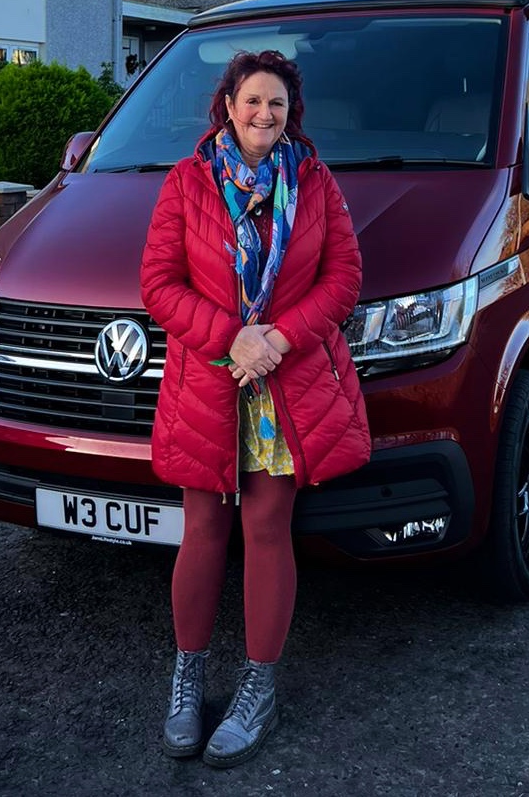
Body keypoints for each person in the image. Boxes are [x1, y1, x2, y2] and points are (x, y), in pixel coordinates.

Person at [139, 49, 370, 768]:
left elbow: (344, 277)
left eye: (276, 104)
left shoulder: (315, 181)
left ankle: (258, 689)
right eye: (251, 102)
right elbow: (157, 284)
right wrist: (231, 338)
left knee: (269, 528)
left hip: (285, 382)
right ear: (228, 107)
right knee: (203, 528)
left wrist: (277, 340)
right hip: (207, 381)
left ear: (289, 112)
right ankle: (187, 682)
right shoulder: (186, 182)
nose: (263, 115)